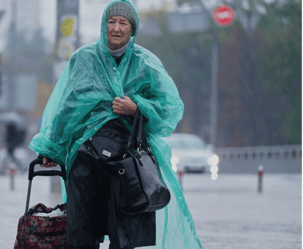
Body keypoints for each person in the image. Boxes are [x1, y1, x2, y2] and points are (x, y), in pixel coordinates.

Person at [29, 1, 202, 248]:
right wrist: (50, 149)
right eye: (111, 21)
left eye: (124, 23)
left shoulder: (146, 63)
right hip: (86, 159)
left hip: (128, 161)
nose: (117, 28)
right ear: (104, 25)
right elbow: (65, 110)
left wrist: (137, 107)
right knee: (81, 234)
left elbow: (169, 107)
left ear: (133, 30)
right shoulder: (84, 59)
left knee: (125, 236)